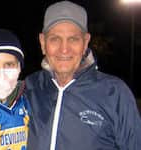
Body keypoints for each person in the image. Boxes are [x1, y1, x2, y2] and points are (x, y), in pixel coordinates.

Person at [25, 1, 141, 150]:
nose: (64, 49)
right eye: (55, 39)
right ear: (42, 42)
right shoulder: (29, 88)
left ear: (86, 42)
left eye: (73, 39)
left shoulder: (114, 93)